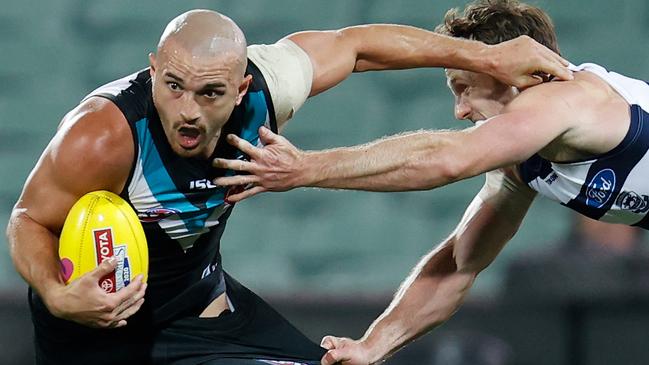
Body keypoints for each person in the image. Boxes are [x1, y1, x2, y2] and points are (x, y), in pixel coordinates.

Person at [4, 8, 568, 365]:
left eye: (210, 93)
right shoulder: (103, 135)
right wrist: (58, 294)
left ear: (242, 84)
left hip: (200, 309)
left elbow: (358, 45)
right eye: (172, 86)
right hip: (93, 328)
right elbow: (29, 219)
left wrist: (486, 57)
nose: (188, 112)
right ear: (153, 70)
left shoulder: (268, 93)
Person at [211, 0, 649, 363]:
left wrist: (308, 168)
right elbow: (459, 264)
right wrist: (373, 345)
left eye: (465, 87)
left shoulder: (568, 100)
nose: (459, 110)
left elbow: (449, 158)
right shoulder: (522, 162)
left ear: (522, 74)